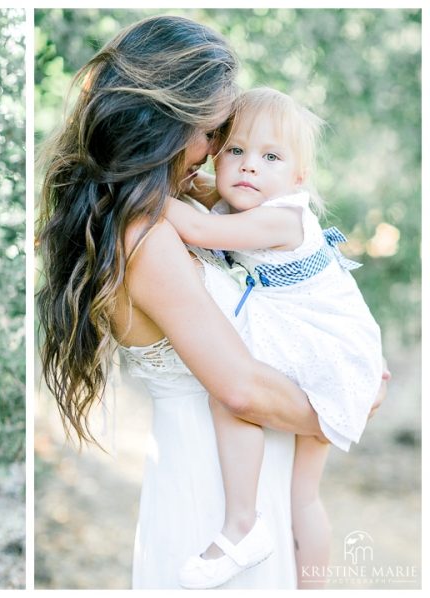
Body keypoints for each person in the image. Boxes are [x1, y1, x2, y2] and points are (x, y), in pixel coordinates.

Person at [36, 15, 388, 589]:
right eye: (213, 132)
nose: (216, 150)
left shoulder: (166, 212)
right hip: (209, 491)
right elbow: (239, 387)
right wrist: (350, 403)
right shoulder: (143, 232)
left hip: (244, 479)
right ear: (166, 122)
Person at [164, 87, 383, 588]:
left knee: (233, 391)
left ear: (296, 178)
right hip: (331, 345)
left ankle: (241, 524)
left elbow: (196, 231)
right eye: (236, 151)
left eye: (270, 157)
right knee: (302, 495)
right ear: (217, 157)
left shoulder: (280, 218)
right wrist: (195, 185)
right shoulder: (236, 204)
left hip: (325, 348)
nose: (249, 168)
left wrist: (134, 191)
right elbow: (201, 204)